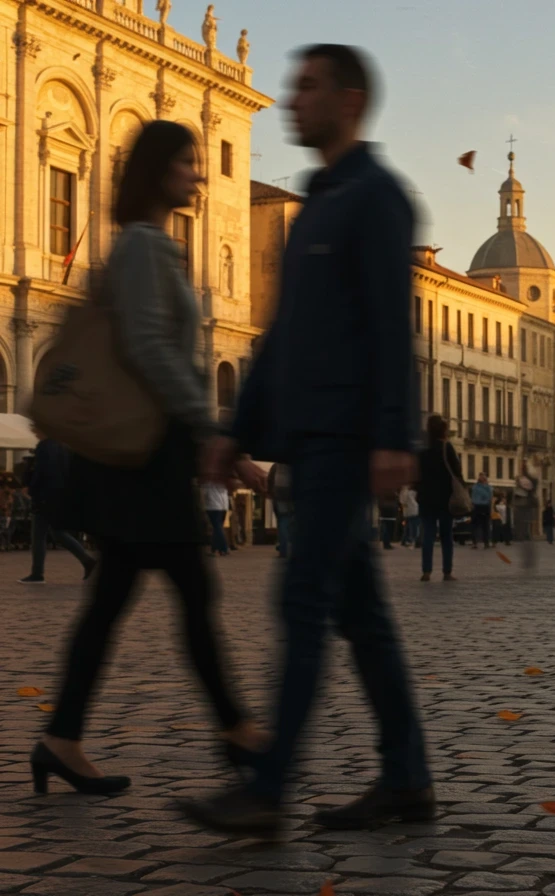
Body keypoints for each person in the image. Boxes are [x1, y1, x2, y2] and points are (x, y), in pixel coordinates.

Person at [184, 45, 431, 834]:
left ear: (350, 101)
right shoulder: (318, 200)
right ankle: (407, 778)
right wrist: (238, 432)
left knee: (302, 602)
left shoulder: (377, 198)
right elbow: (282, 334)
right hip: (311, 437)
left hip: (344, 438)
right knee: (360, 617)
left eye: (308, 86)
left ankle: (268, 789)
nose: (291, 99)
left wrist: (394, 433)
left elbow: (396, 327)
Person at [33, 120, 265, 797]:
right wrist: (209, 430)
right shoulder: (141, 246)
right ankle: (235, 732)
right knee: (189, 593)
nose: (199, 174)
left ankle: (62, 739)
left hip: (144, 456)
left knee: (115, 602)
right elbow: (149, 347)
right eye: (189, 163)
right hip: (142, 457)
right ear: (160, 170)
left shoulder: (152, 244)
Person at [20, 437, 96, 584]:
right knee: (58, 532)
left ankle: (37, 574)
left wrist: (32, 489)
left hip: (44, 496)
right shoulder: (64, 445)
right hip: (58, 495)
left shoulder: (45, 445)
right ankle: (87, 561)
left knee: (38, 536)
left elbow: (42, 471)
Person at [417, 415, 462, 582]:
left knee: (428, 534)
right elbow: (457, 471)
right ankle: (447, 572)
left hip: (426, 498)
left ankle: (426, 571)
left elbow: (416, 475)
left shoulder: (422, 450)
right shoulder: (446, 448)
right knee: (446, 535)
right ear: (443, 430)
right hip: (445, 498)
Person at [268, 464, 294, 559]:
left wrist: (270, 492)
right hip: (293, 490)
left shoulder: (277, 465)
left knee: (283, 520)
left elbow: (270, 479)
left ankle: (283, 550)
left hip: (279, 490)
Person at [470, 472, 493, 549]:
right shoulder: (476, 487)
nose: (482, 478)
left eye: (483, 476)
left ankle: (484, 543)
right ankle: (476, 542)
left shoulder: (486, 487)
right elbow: (488, 496)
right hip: (478, 506)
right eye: (481, 476)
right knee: (478, 525)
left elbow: (489, 497)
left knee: (484, 525)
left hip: (483, 506)